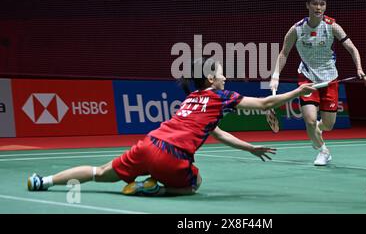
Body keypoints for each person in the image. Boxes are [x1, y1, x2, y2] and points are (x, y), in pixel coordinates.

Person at [28, 58, 315, 196]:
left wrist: (249, 148)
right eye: (220, 73)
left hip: (148, 144)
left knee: (100, 172)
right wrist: (298, 92)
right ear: (210, 79)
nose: (225, 77)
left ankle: (44, 181)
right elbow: (265, 104)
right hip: (172, 156)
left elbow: (216, 132)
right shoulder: (221, 97)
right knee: (195, 186)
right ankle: (149, 188)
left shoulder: (192, 98)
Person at [270, 0, 366, 166]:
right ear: (307, 4)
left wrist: (359, 68)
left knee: (328, 125)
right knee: (309, 120)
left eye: (322, 4)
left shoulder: (332, 26)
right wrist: (275, 75)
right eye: (315, 3)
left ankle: (316, 131)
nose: (318, 7)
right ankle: (323, 151)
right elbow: (283, 53)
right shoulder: (297, 29)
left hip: (330, 78)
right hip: (307, 77)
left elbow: (352, 48)